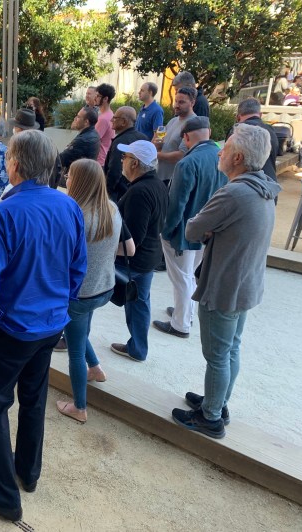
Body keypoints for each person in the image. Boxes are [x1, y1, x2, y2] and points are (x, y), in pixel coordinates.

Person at [0, 130, 87, 522]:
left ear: (15, 165)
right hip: (50, 324)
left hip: (11, 328)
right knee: (33, 398)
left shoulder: (3, 212)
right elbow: (77, 267)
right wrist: (59, 305)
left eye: (8, 160)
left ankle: (5, 496)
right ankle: (28, 472)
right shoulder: (68, 206)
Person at [172, 124, 281, 439]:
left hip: (223, 287)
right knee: (231, 349)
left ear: (238, 157)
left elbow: (193, 229)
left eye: (226, 147)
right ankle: (218, 404)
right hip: (245, 284)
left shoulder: (234, 192)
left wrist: (208, 227)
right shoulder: (264, 187)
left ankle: (210, 417)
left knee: (217, 355)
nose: (220, 151)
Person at [56, 159, 133, 424]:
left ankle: (79, 407)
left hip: (79, 293)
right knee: (79, 331)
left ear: (78, 181)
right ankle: (96, 368)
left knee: (74, 348)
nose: (66, 178)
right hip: (104, 288)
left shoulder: (74, 215)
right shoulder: (111, 208)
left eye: (69, 175)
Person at [153, 116, 227, 339]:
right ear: (209, 132)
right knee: (190, 274)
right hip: (208, 229)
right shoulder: (222, 157)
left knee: (182, 276)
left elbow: (177, 204)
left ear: (185, 137)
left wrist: (166, 232)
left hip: (184, 231)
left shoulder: (187, 162)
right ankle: (186, 312)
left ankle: (181, 323)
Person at [109, 141, 168, 362]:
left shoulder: (140, 192)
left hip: (135, 261)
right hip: (149, 255)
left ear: (135, 163)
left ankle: (137, 348)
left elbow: (132, 239)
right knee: (139, 303)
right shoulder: (156, 184)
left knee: (135, 304)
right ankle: (137, 347)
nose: (122, 161)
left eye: (125, 158)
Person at [226, 98, 279, 183]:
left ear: (238, 117)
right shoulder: (270, 130)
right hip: (270, 185)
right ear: (260, 114)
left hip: (246, 186)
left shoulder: (237, 131)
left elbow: (228, 159)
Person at [104, 106, 148, 202]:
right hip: (139, 190)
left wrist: (106, 191)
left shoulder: (120, 142)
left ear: (124, 122)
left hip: (119, 193)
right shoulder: (143, 138)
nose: (112, 120)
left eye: (115, 118)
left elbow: (115, 170)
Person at [155, 86, 196, 185]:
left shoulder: (193, 123)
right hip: (160, 176)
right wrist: (157, 143)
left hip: (174, 180)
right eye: (176, 101)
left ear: (192, 103)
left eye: (181, 102)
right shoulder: (173, 120)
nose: (176, 105)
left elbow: (181, 155)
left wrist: (155, 154)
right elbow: (159, 141)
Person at [59, 107, 100, 172]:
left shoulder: (83, 140)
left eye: (78, 117)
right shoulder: (94, 133)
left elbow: (62, 159)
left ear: (86, 122)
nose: (75, 119)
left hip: (78, 177)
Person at [94, 83, 116, 166]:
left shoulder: (103, 119)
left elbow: (94, 140)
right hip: (104, 159)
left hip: (99, 161)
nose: (95, 98)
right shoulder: (110, 114)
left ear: (106, 99)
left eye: (98, 96)